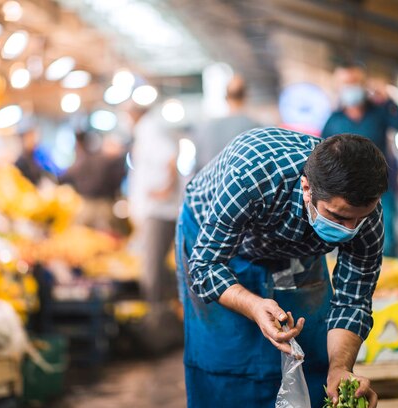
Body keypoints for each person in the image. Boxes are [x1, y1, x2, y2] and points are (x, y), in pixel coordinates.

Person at [176, 127, 385, 408]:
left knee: (309, 351)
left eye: (358, 220)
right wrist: (252, 304)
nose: (350, 231)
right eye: (338, 218)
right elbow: (206, 266)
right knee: (225, 353)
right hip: (219, 244)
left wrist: (340, 368)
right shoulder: (252, 174)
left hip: (297, 245)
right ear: (307, 188)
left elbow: (353, 300)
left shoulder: (365, 213)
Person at [321, 63, 398, 257]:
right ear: (338, 87)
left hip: (381, 189)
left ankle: (389, 284)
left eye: (355, 82)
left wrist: (389, 100)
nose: (350, 87)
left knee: (387, 241)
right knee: (351, 243)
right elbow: (322, 154)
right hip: (346, 191)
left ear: (363, 84)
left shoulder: (380, 112)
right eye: (346, 83)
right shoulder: (333, 120)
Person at [128, 105, 181, 305]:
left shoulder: (148, 130)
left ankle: (157, 321)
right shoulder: (146, 131)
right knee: (157, 268)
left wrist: (166, 189)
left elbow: (170, 157)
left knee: (152, 273)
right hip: (157, 211)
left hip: (159, 212)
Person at [59, 131, 126, 232]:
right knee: (102, 236)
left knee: (83, 234)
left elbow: (66, 177)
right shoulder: (105, 160)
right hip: (103, 204)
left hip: (89, 204)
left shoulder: (84, 159)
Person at [194, 75, 260, 170]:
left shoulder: (207, 129)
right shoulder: (256, 128)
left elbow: (199, 165)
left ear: (226, 97)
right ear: (246, 96)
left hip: (215, 183)